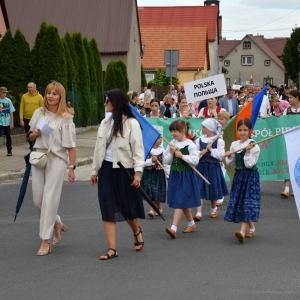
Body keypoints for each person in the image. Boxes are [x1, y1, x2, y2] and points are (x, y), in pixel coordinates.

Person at [90, 89, 145, 260]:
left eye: (107, 100)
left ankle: (136, 231)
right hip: (106, 169)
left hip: (125, 169)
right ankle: (112, 248)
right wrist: (94, 171)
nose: (105, 103)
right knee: (107, 207)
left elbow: (138, 151)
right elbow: (98, 148)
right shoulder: (104, 123)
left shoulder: (131, 123)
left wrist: (137, 174)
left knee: (127, 208)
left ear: (116, 102)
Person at [28, 81, 76, 256]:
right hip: (39, 157)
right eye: (48, 93)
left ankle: (45, 240)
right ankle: (56, 223)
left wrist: (72, 167)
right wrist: (35, 134)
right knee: (37, 200)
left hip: (57, 159)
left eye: (54, 93)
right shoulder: (38, 113)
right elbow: (30, 135)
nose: (50, 96)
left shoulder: (66, 117)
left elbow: (71, 146)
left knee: (50, 199)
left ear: (61, 96)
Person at [224, 118, 260, 243]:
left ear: (250, 131)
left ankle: (241, 231)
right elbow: (232, 162)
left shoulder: (253, 144)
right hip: (239, 175)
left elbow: (250, 164)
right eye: (240, 130)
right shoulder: (235, 144)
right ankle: (252, 228)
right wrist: (229, 156)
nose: (243, 132)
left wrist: (248, 151)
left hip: (250, 176)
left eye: (245, 130)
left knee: (247, 202)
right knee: (241, 201)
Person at [164, 120, 200, 238]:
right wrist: (170, 153)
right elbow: (166, 161)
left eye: (175, 131)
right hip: (175, 174)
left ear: (183, 131)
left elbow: (195, 160)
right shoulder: (172, 143)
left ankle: (173, 228)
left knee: (180, 200)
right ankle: (191, 223)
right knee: (182, 201)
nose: (173, 133)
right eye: (172, 131)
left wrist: (182, 156)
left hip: (186, 175)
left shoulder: (190, 144)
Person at [193, 119, 228, 221]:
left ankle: (213, 208)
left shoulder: (220, 141)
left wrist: (211, 149)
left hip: (213, 167)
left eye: (204, 127)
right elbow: (195, 153)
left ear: (210, 128)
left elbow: (220, 155)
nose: (202, 129)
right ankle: (198, 212)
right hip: (202, 166)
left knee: (213, 188)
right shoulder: (199, 140)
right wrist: (200, 152)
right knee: (199, 188)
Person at [141, 136, 168, 217]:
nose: (160, 140)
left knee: (155, 190)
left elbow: (165, 163)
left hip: (158, 174)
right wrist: (151, 161)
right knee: (151, 190)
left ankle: (152, 209)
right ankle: (158, 208)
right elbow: (142, 162)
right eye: (158, 139)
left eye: (161, 139)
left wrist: (168, 173)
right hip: (148, 173)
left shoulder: (162, 150)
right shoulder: (146, 150)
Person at [280, 90, 300, 197]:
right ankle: (286, 189)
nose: (289, 99)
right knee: (288, 163)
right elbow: (281, 122)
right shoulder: (287, 110)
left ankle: (297, 188)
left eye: (291, 97)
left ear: (297, 97)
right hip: (291, 141)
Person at [19, 82, 44, 151]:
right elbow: (21, 108)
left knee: (36, 134)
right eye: (28, 87)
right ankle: (31, 147)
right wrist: (21, 119)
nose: (29, 89)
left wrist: (42, 120)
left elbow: (42, 109)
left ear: (35, 88)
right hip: (27, 118)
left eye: (31, 87)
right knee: (29, 134)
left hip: (36, 120)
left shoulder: (39, 97)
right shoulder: (24, 96)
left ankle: (36, 148)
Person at [216, 111, 230, 206]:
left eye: (222, 119)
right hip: (218, 155)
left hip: (226, 155)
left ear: (226, 120)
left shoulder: (228, 131)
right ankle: (216, 195)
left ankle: (220, 196)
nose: (219, 120)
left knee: (221, 176)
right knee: (217, 176)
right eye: (218, 118)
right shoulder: (216, 130)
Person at [0, 87, 15, 156]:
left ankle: (9, 150)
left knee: (8, 137)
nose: (4, 94)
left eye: (5, 93)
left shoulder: (8, 100)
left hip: (7, 122)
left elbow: (11, 112)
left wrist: (12, 123)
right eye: (3, 92)